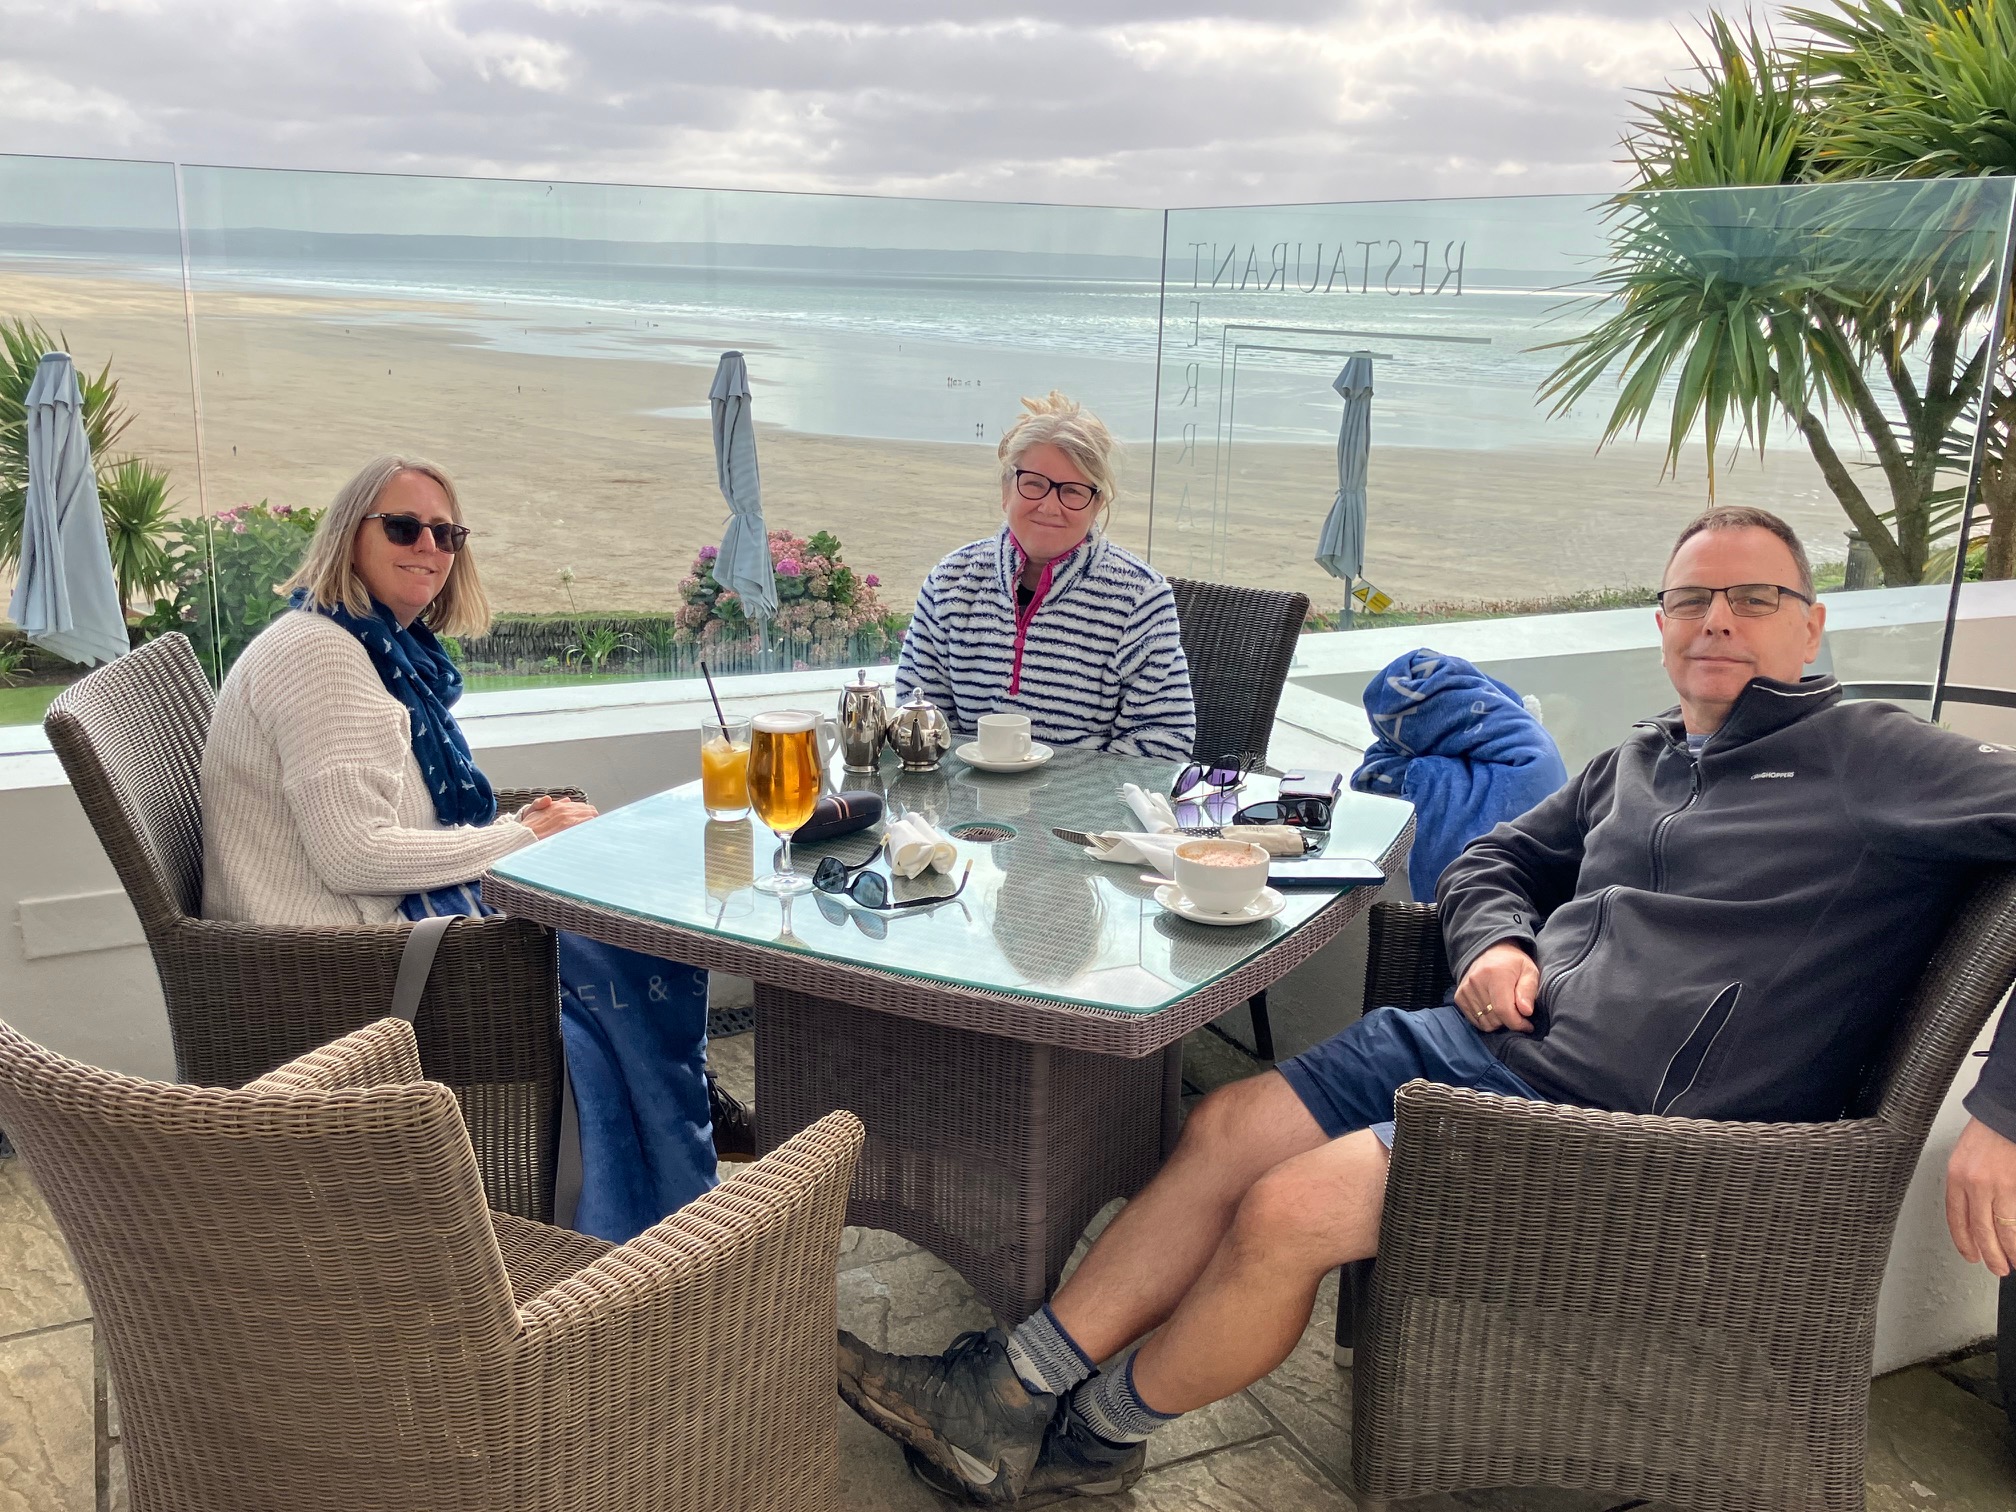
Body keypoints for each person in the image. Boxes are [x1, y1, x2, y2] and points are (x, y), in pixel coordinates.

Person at [838, 505, 2016, 1505]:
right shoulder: (1647, 756)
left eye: (1754, 598)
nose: (1717, 619)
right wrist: (1497, 941)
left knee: (1286, 1211)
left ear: (1812, 625)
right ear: (1660, 625)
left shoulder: (1871, 757)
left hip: (1622, 1126)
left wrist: (2003, 1113)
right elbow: (1498, 858)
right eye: (1690, 599)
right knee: (1227, 1126)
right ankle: (1008, 1391)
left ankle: (1095, 1435)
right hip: (1494, 1041)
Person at [201, 454, 742, 1243]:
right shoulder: (320, 658)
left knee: (608, 921)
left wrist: (523, 827)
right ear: (348, 535)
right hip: (337, 966)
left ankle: (679, 1107)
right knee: (616, 937)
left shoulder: (376, 650)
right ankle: (660, 1166)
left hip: (366, 925)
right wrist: (519, 836)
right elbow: (353, 856)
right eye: (404, 527)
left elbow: (389, 819)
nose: (429, 546)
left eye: (447, 534)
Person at [897, 391, 1196, 762]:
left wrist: (1053, 792)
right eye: (1035, 483)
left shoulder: (1140, 598)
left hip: (1088, 800)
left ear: (1097, 504)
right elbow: (919, 719)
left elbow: (1163, 743)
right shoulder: (950, 582)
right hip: (962, 795)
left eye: (1072, 491)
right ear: (1006, 490)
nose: (1050, 506)